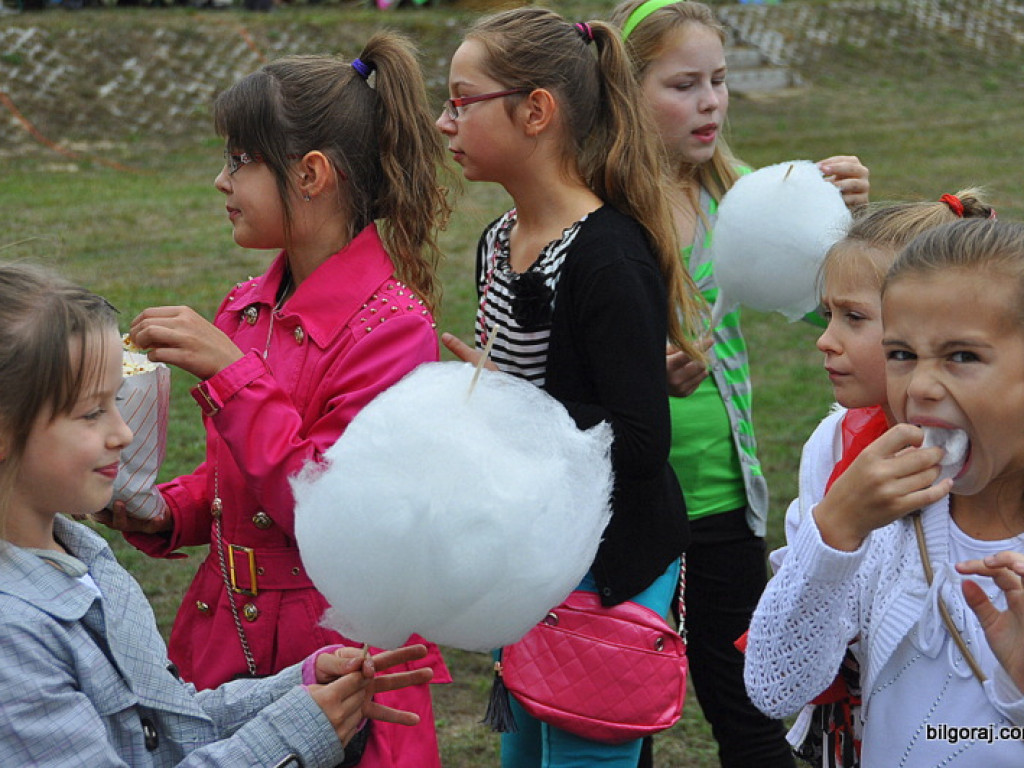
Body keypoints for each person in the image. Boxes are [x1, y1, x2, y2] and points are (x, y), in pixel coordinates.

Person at [97, 32, 453, 768]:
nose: (220, 182)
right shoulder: (248, 308)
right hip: (226, 648)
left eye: (239, 161)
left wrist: (232, 376)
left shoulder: (396, 331)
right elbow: (238, 486)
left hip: (337, 666)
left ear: (312, 174)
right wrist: (165, 508)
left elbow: (335, 512)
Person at [0, 261, 434, 767]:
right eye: (92, 412)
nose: (123, 433)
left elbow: (159, 729)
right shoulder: (14, 638)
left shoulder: (83, 561)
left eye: (116, 402)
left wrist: (295, 687)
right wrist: (291, 735)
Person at [435, 7, 705, 767]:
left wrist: (506, 402)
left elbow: (641, 441)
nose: (443, 121)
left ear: (535, 112)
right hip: (535, 554)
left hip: (606, 571)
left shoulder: (607, 256)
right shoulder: (498, 240)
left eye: (461, 100)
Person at [607, 1, 870, 765]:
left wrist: (841, 224)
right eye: (684, 84)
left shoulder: (743, 195)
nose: (711, 100)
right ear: (627, 92)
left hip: (724, 499)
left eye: (719, 81)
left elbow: (824, 311)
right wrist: (637, 382)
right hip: (627, 502)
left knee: (751, 711)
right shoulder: (602, 212)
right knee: (623, 719)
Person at [745, 217, 1024, 766]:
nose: (919, 386)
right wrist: (834, 535)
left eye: (961, 357)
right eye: (900, 354)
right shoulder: (886, 521)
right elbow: (774, 687)